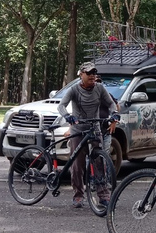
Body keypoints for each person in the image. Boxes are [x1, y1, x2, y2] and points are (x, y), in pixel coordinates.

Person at [57, 62, 119, 209]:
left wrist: (115, 114)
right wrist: (67, 116)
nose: (92, 76)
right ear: (81, 74)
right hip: (78, 131)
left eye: (94, 73)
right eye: (89, 73)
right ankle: (78, 196)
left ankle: (104, 196)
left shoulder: (99, 88)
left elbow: (111, 104)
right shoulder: (74, 90)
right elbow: (61, 105)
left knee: (99, 163)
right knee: (77, 166)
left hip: (95, 129)